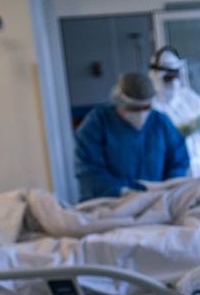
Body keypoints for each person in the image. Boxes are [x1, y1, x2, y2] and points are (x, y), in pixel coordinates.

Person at [74, 72, 189, 201]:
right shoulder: (98, 123)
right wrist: (122, 192)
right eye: (134, 108)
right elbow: (88, 169)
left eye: (146, 107)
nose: (141, 113)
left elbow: (179, 161)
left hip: (156, 202)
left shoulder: (160, 123)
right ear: (118, 101)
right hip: (109, 205)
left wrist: (169, 188)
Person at [148, 46, 200, 178]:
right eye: (168, 78)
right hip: (170, 171)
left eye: (176, 76)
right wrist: (179, 133)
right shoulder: (152, 107)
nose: (173, 82)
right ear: (156, 77)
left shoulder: (188, 98)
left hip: (197, 167)